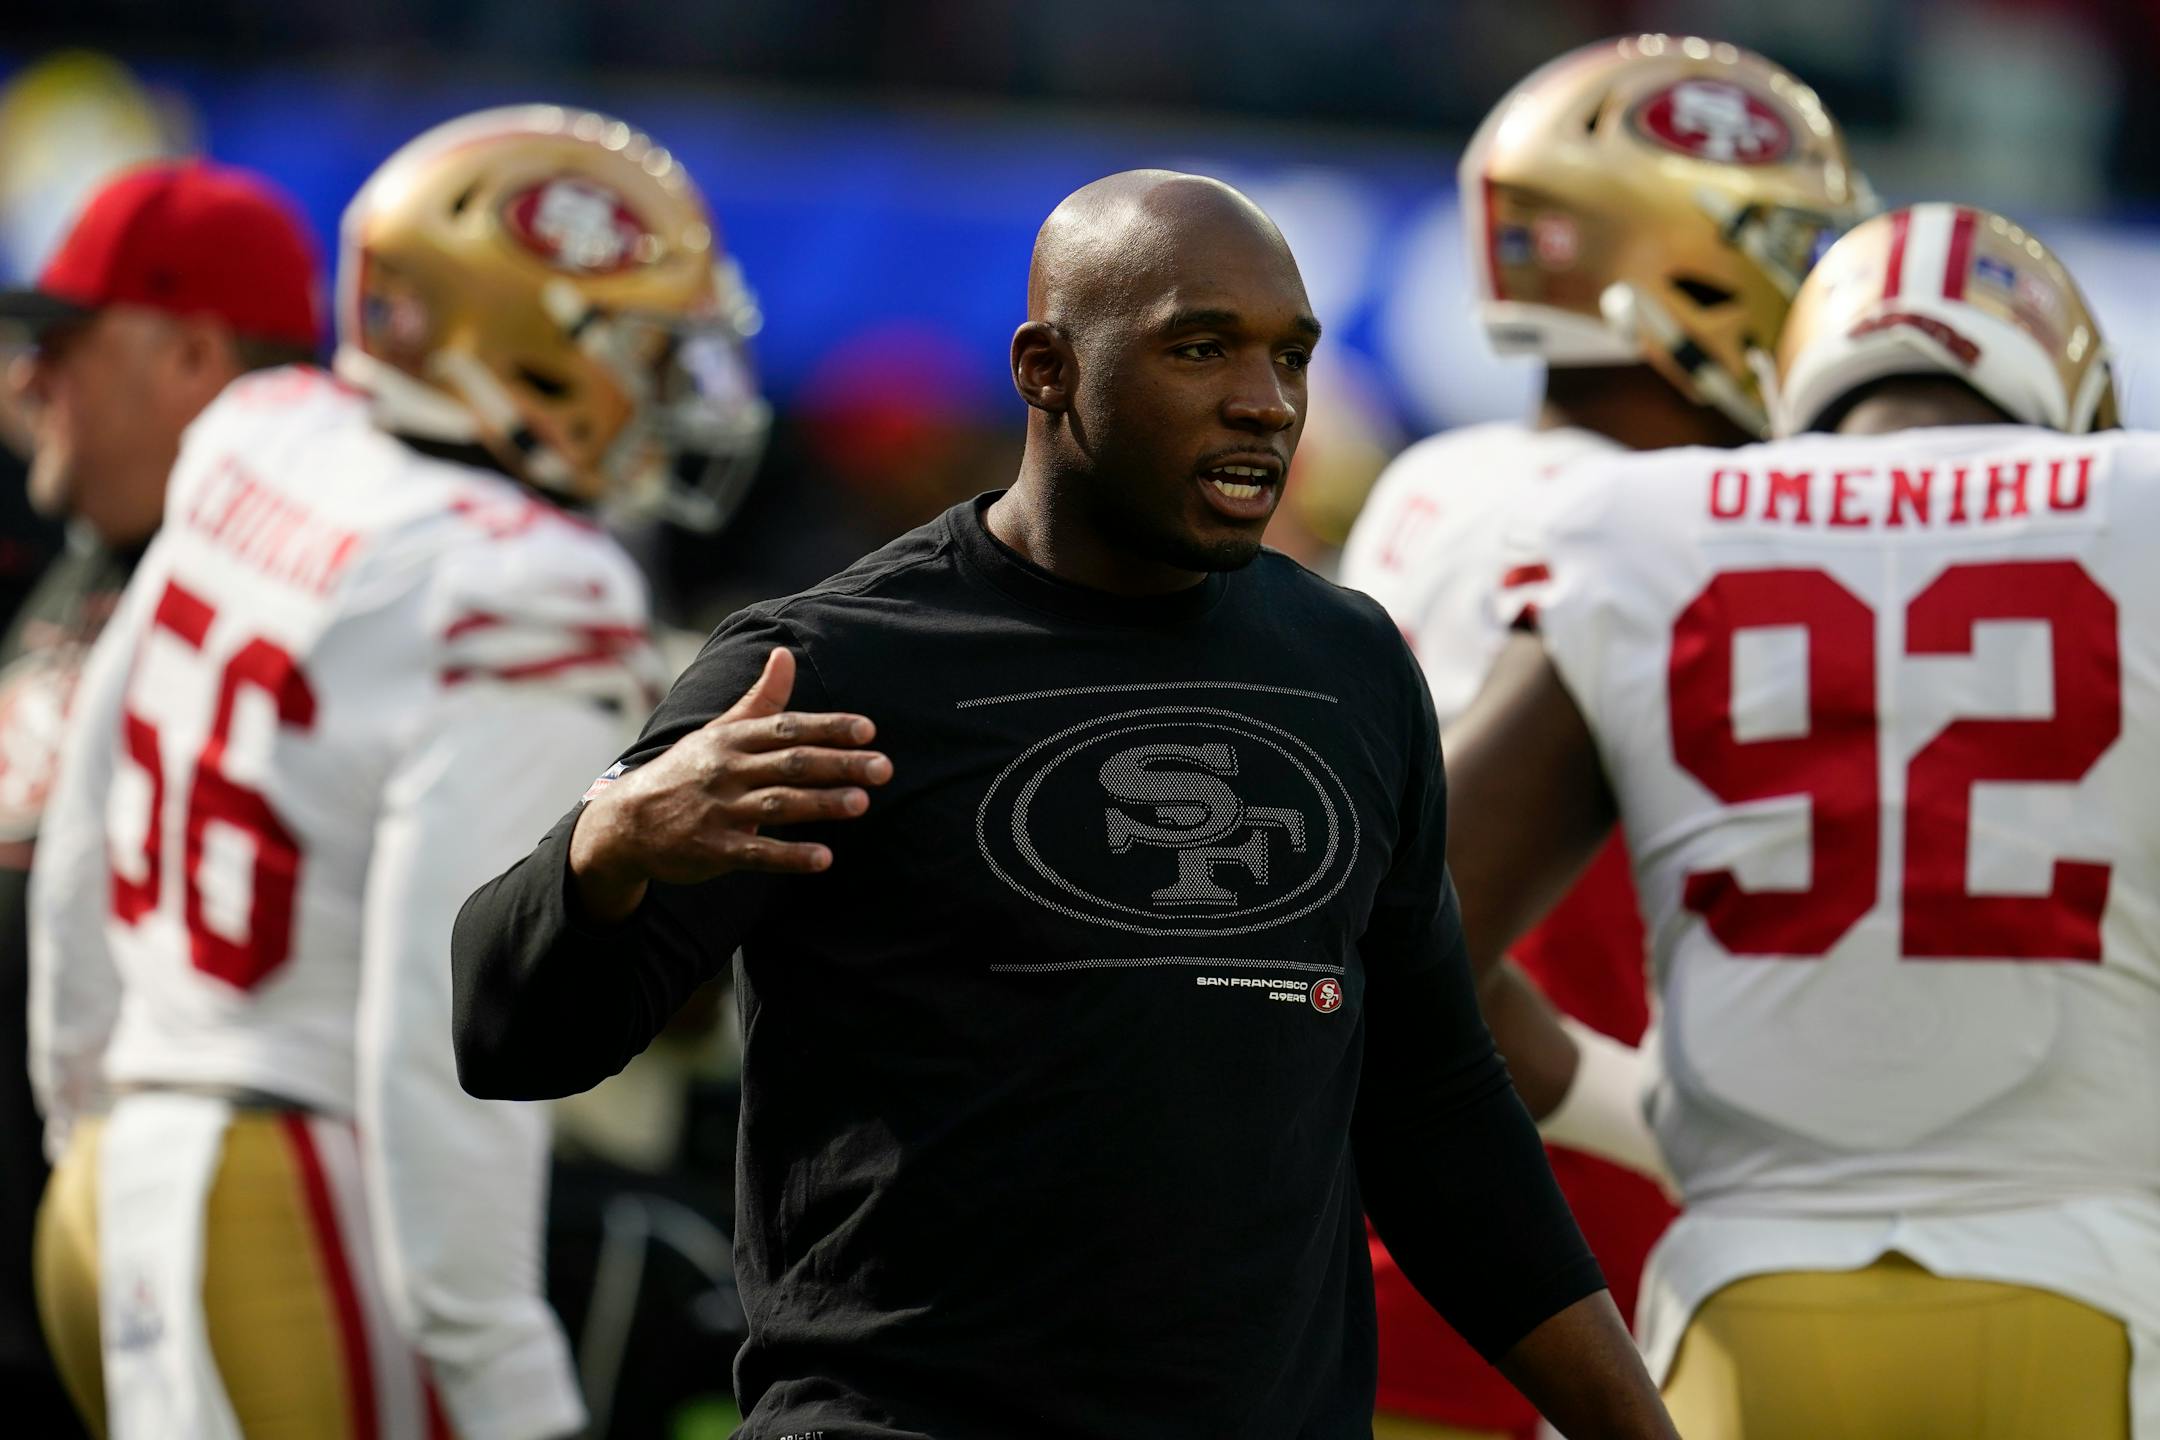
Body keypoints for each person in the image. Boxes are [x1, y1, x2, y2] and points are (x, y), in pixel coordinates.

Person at [451, 168, 1679, 1440]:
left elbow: (1436, 1114)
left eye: (1290, 356)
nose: (1266, 404)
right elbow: (513, 1041)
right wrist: (609, 847)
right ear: (1047, 369)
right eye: (1200, 350)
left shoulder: (1352, 666)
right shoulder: (835, 666)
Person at [27, 105, 767, 1438]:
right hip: (290, 1199)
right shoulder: (533, 583)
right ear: (518, 344)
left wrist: (79, 1103)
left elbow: (93, 793)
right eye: (642, 346)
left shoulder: (267, 430)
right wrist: (510, 1385)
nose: (673, 390)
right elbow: (442, 1040)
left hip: (113, 1169)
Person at [1443, 202, 2153, 1437]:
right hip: (2089, 1292)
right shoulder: (2138, 507)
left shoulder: (1641, 524)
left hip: (1743, 1299)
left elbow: (1408, 921)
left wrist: (1643, 1107)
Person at [1337, 36, 1870, 1439]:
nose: (1823, 291)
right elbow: (1424, 938)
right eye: (1790, 247)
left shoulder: (1448, 480)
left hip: (1423, 1253)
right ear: (1682, 264)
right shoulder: (1640, 522)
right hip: (1528, 1277)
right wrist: (1693, 1132)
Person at [0, 158, 322, 1436]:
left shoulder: (307, 607)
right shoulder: (79, 560)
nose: (27, 382)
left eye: (64, 345)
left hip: (145, 1305)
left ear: (193, 358)